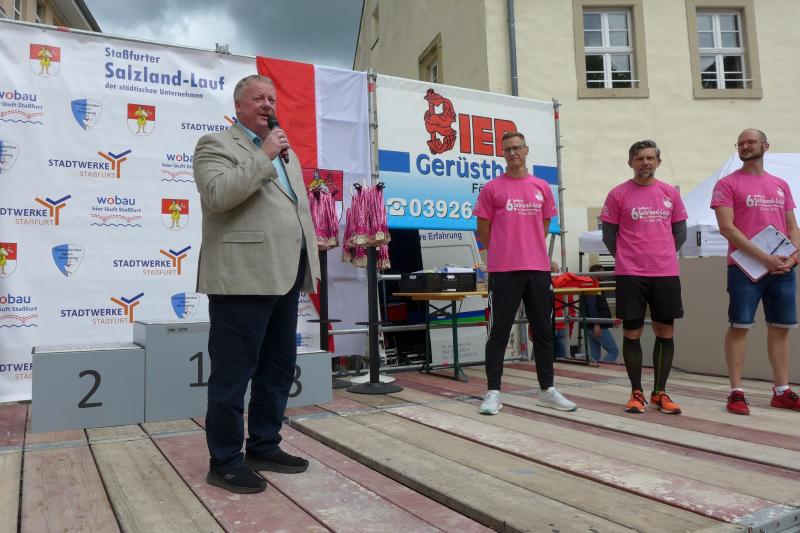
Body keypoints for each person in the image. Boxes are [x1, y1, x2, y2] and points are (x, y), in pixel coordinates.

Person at [193, 74, 321, 493]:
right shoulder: (216, 144)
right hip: (241, 277)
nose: (268, 104)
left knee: (277, 370)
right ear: (239, 106)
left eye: (272, 98)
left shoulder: (286, 153)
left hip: (285, 274)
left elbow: (293, 210)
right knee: (233, 375)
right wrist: (264, 155)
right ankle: (225, 461)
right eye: (258, 98)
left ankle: (264, 446)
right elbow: (218, 195)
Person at [474, 131, 577, 415]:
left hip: (537, 270)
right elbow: (483, 230)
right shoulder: (492, 188)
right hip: (504, 270)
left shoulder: (541, 187)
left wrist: (528, 248)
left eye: (517, 148)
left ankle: (547, 390)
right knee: (498, 332)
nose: (513, 153)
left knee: (543, 332)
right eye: (508, 149)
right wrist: (505, 250)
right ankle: (493, 392)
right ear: (502, 153)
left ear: (526, 150)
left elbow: (543, 227)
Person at [711, 128, 800, 415]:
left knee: (781, 327)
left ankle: (782, 391)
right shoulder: (727, 183)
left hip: (781, 269)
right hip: (743, 268)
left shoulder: (780, 184)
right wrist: (765, 258)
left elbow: (793, 228)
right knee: (740, 326)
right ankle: (736, 392)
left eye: (750, 142)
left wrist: (793, 259)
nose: (745, 146)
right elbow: (727, 228)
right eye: (740, 143)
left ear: (765, 146)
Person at [601, 140, 687, 414]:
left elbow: (680, 232)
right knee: (632, 333)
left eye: (650, 158)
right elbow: (609, 235)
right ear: (631, 163)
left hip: (665, 273)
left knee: (665, 332)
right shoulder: (617, 194)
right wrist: (628, 257)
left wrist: (662, 254)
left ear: (658, 162)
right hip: (631, 275)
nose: (645, 162)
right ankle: (636, 392)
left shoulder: (670, 193)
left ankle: (660, 393)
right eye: (640, 158)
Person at [585, 264, 619, 363]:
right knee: (614, 351)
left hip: (591, 325)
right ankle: (601, 368)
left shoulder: (594, 284)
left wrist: (610, 320)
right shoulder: (593, 285)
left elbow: (599, 306)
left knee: (595, 356)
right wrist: (596, 324)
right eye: (602, 272)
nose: (604, 274)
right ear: (595, 272)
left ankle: (592, 370)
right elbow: (592, 306)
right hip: (597, 325)